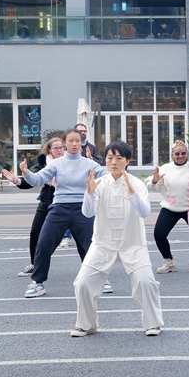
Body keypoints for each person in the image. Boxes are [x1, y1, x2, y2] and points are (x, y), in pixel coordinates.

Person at [71, 141, 164, 337]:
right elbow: (87, 213)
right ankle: (87, 324)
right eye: (109, 158)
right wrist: (89, 193)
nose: (114, 162)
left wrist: (132, 194)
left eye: (119, 158)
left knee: (146, 282)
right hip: (103, 244)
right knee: (83, 283)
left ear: (128, 161)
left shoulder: (136, 183)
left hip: (133, 244)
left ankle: (153, 323)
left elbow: (145, 212)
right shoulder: (99, 183)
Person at [2, 129, 108, 298]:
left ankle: (100, 279)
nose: (74, 144)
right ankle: (38, 283)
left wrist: (121, 171)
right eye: (71, 141)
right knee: (43, 244)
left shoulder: (90, 164)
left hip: (83, 208)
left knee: (92, 245)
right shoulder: (56, 164)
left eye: (77, 141)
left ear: (81, 143)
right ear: (65, 144)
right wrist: (26, 173)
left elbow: (108, 177)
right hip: (59, 208)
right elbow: (38, 179)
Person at [147, 140, 189, 274]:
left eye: (183, 153)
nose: (180, 156)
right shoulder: (165, 168)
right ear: (172, 155)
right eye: (177, 154)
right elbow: (151, 187)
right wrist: (154, 181)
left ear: (187, 154)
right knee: (159, 234)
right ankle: (168, 262)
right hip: (170, 207)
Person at [13, 137, 64, 277]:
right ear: (49, 150)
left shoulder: (70, 161)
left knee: (83, 236)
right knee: (35, 233)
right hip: (47, 201)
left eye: (62, 148)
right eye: (56, 148)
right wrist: (17, 180)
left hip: (67, 203)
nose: (60, 151)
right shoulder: (43, 163)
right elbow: (32, 180)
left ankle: (94, 269)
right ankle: (34, 264)